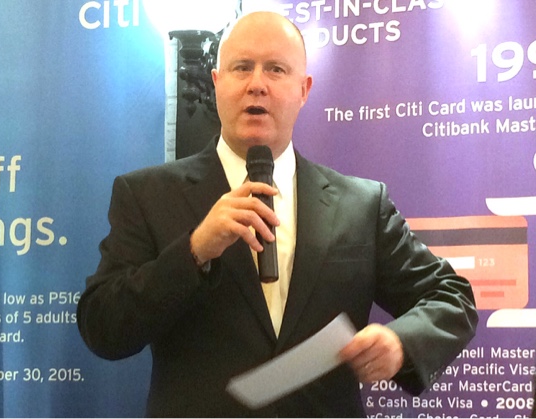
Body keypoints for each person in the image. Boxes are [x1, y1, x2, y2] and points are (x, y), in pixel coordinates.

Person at [77, 11, 478, 417]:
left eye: (276, 69)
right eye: (241, 67)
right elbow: (103, 328)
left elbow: (451, 296)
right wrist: (194, 251)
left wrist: (402, 343)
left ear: (303, 90)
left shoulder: (361, 204)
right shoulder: (147, 195)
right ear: (217, 82)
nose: (257, 84)